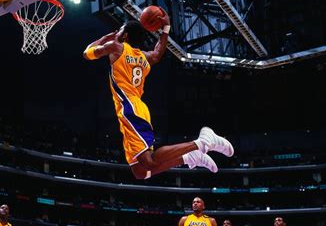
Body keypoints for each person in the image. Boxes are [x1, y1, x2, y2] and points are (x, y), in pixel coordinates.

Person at [83, 18, 233, 179]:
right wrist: (166, 29)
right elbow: (158, 52)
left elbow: (87, 53)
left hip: (130, 109)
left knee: (149, 162)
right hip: (136, 108)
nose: (116, 33)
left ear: (125, 35)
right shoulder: (145, 57)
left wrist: (104, 38)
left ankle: (201, 142)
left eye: (119, 30)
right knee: (140, 172)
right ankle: (190, 157)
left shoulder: (116, 47)